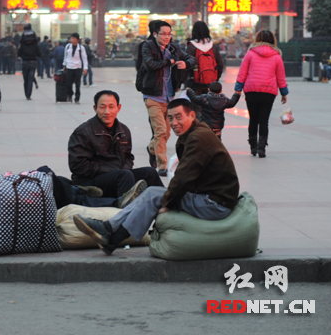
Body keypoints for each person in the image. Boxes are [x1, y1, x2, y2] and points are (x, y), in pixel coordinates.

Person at [73, 98, 239, 255]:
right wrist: (169, 198)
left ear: (192, 115)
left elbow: (183, 177)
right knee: (153, 192)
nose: (174, 123)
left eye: (179, 117)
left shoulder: (199, 138)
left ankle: (110, 236)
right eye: (170, 118)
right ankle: (109, 232)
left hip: (215, 203)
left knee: (154, 194)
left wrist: (168, 202)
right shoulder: (191, 135)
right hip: (206, 196)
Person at [68, 90, 164, 202]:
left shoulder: (123, 131)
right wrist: (114, 171)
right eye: (102, 107)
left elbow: (128, 157)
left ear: (118, 108)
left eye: (111, 107)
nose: (107, 111)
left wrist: (123, 170)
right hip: (90, 181)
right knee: (124, 176)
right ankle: (125, 214)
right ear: (95, 108)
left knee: (149, 172)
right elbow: (77, 165)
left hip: (119, 175)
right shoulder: (83, 132)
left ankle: (166, 205)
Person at [139, 20, 195, 176]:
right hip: (152, 96)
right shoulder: (148, 47)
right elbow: (150, 64)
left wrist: (185, 63)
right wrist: (168, 61)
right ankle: (162, 166)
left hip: (169, 98)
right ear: (155, 34)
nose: (166, 37)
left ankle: (152, 148)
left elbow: (192, 59)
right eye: (163, 34)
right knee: (161, 131)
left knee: (167, 134)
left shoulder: (174, 48)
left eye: (169, 34)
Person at [235, 30, 289, 158]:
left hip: (251, 91)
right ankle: (262, 149)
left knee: (253, 119)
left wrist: (238, 88)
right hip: (268, 92)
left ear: (257, 39)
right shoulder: (277, 56)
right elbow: (281, 77)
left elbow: (242, 73)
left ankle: (253, 147)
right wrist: (284, 93)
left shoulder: (250, 53)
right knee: (264, 121)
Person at [185, 21, 224, 96]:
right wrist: (215, 78)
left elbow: (186, 67)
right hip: (211, 83)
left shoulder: (191, 46)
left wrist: (181, 83)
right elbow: (220, 65)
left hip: (195, 84)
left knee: (196, 106)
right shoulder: (213, 46)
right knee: (209, 105)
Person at [18, 24, 41, 100]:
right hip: (33, 62)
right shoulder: (34, 39)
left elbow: (19, 53)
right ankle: (29, 95)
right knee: (30, 78)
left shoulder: (23, 39)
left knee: (26, 79)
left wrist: (23, 56)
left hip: (25, 62)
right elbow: (39, 53)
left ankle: (26, 93)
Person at [63, 33, 88, 104]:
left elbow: (84, 58)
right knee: (68, 83)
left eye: (73, 38)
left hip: (78, 67)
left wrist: (85, 68)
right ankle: (70, 94)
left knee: (77, 84)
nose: (72, 39)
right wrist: (64, 65)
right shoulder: (67, 46)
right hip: (69, 67)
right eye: (71, 38)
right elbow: (65, 56)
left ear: (77, 39)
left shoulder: (81, 48)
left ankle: (77, 98)